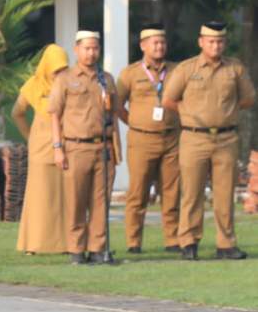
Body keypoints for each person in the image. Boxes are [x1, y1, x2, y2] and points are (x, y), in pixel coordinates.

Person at [162, 21, 256, 260]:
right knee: (192, 193)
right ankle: (188, 242)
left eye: (220, 41)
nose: (216, 46)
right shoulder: (187, 68)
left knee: (225, 195)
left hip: (226, 138)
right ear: (201, 42)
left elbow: (248, 99)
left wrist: (227, 111)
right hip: (194, 138)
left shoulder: (235, 68)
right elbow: (168, 99)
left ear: (225, 43)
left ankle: (226, 244)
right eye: (211, 41)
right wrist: (189, 113)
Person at [49, 30, 121, 265]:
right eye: (87, 48)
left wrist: (115, 148)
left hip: (103, 147)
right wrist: (58, 148)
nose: (91, 53)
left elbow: (114, 113)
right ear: (77, 50)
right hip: (76, 147)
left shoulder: (106, 79)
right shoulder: (65, 78)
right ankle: (77, 249)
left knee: (101, 201)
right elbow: (54, 114)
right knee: (76, 200)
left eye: (95, 48)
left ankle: (98, 248)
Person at [117, 22, 181, 254]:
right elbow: (117, 106)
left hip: (171, 139)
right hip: (142, 140)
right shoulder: (130, 73)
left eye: (162, 42)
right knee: (138, 193)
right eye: (154, 43)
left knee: (172, 192)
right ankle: (133, 242)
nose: (159, 46)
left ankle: (172, 240)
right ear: (143, 45)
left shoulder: (176, 70)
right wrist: (135, 123)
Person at [12, 44, 69, 254]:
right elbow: (17, 113)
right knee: (39, 196)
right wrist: (30, 137)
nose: (60, 74)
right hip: (40, 148)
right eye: (56, 70)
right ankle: (34, 244)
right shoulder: (34, 85)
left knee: (64, 197)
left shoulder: (71, 84)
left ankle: (66, 243)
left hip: (67, 147)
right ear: (46, 68)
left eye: (63, 69)